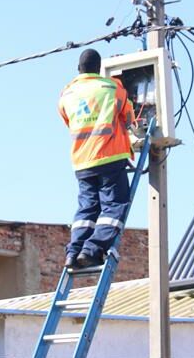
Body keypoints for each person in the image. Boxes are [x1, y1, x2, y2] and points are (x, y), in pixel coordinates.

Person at [58, 48, 134, 268]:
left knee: (87, 209)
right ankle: (92, 250)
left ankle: (73, 252)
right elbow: (129, 116)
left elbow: (68, 121)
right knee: (114, 205)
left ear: (78, 69)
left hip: (82, 160)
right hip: (109, 155)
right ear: (99, 68)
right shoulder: (112, 88)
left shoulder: (66, 94)